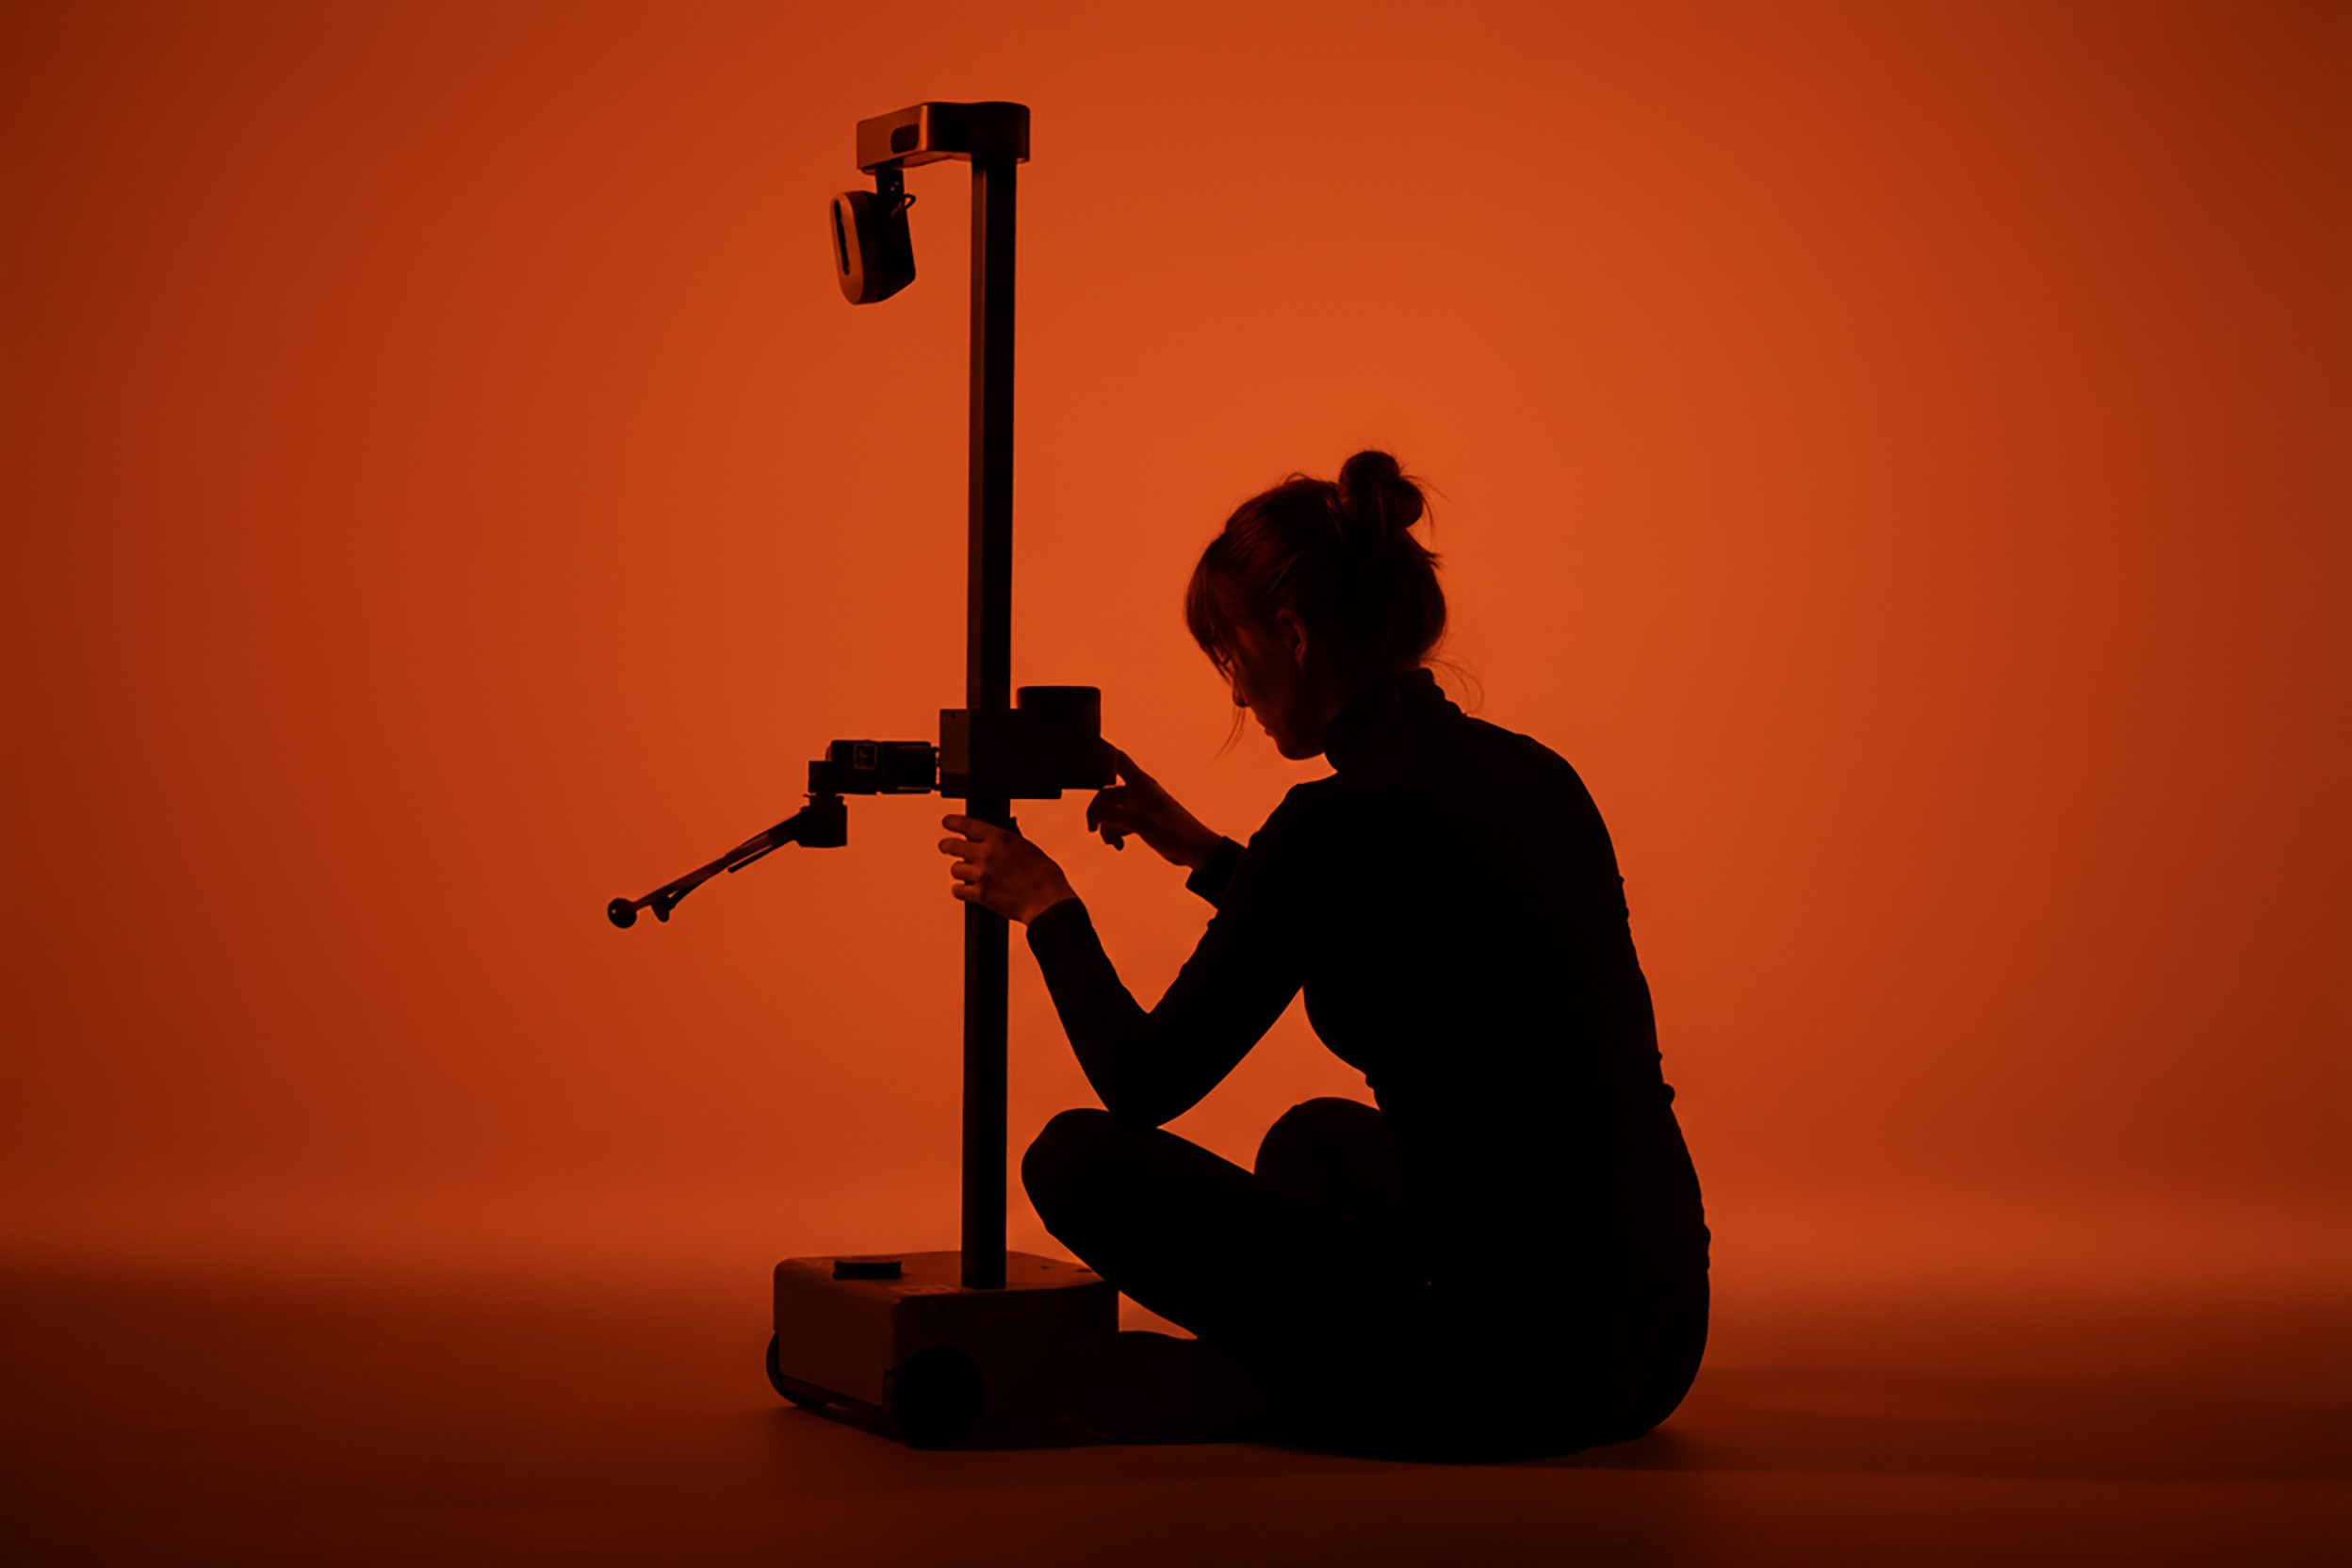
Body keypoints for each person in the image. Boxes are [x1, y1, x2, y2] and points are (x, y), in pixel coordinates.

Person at [938, 450, 1707, 1458]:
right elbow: (1408, 929)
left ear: (1292, 638)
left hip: (1516, 1372)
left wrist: (1048, 907)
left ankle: (1313, 1389)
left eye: (1231, 657)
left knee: (1073, 1155)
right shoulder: (1533, 773)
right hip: (1653, 1339)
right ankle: (1332, 1364)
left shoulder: (1333, 823)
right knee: (1315, 1141)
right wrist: (1209, 854)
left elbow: (1144, 1079)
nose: (1239, 694)